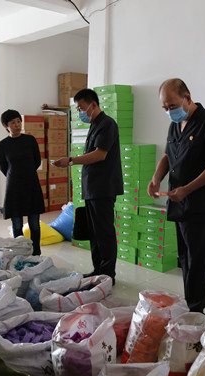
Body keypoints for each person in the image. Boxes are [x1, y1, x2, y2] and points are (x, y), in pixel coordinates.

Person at [147, 78, 205, 314]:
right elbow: (168, 156)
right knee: (184, 259)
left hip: (199, 206)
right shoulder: (175, 124)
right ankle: (190, 305)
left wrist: (187, 189)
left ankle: (196, 311)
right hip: (178, 204)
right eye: (165, 108)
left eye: (172, 106)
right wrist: (156, 178)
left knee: (197, 261)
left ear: (187, 98)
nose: (169, 111)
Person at [54, 88, 123, 284]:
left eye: (81, 108)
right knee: (94, 232)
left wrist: (70, 160)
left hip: (103, 188)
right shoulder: (95, 124)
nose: (80, 112)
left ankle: (108, 275)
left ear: (93, 104)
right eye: (77, 109)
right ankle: (98, 270)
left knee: (104, 233)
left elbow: (100, 154)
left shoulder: (107, 124)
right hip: (93, 188)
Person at [0, 109, 45, 255]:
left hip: (31, 185)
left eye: (19, 121)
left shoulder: (30, 140)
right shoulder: (3, 144)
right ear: (6, 126)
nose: (17, 125)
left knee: (34, 224)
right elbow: (3, 167)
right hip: (14, 188)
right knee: (17, 225)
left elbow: (37, 161)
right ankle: (21, 253)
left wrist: (26, 172)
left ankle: (36, 252)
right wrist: (16, 175)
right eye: (13, 123)